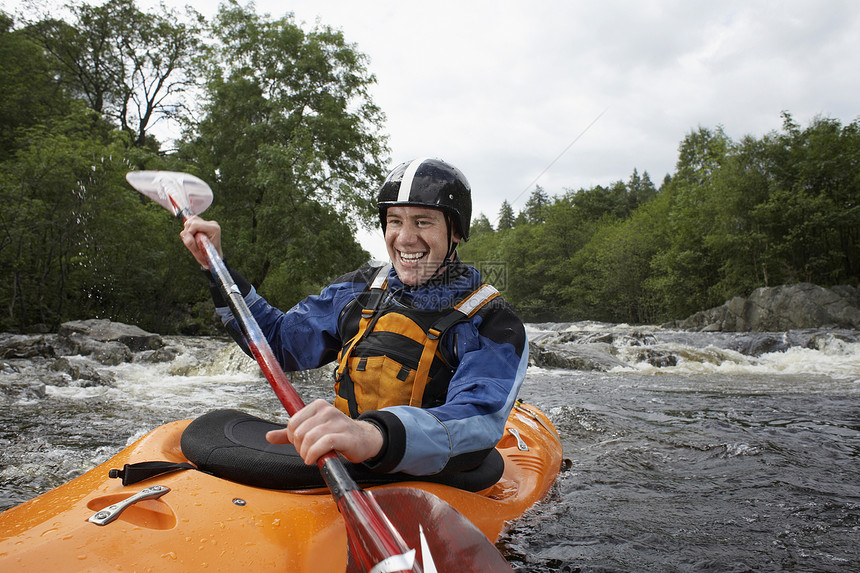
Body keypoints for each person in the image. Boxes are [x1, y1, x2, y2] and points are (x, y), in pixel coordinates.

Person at [180, 158, 527, 478]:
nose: (405, 238)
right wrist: (218, 269)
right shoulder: (359, 289)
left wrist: (373, 434)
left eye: (423, 221)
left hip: (431, 472)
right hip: (351, 460)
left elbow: (478, 417)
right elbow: (278, 344)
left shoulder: (492, 320)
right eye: (394, 221)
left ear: (455, 232)